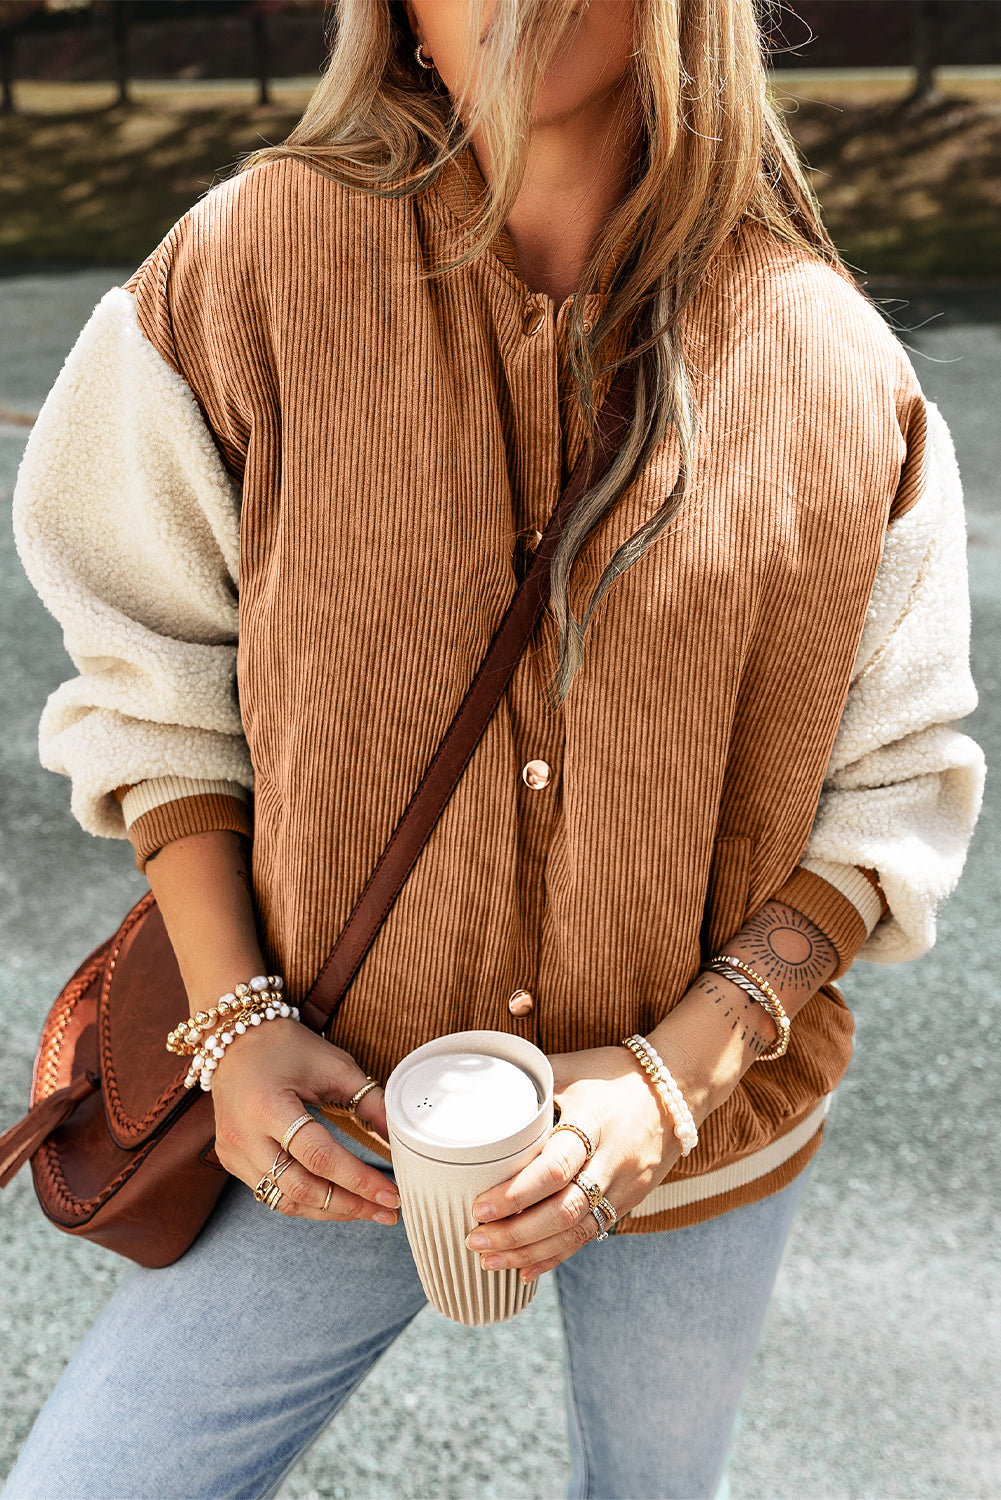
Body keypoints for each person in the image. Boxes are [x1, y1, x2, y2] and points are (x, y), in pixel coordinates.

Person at [3, 1, 985, 1497]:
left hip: (698, 1141)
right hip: (329, 1104)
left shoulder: (833, 365)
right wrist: (239, 1023)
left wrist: (668, 1083)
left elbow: (890, 797)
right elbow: (156, 675)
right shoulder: (244, 267)